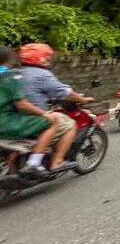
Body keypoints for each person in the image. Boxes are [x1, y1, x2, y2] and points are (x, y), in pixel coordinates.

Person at [17, 43, 93, 172]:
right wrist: (83, 99)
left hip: (13, 116)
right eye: (46, 56)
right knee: (69, 124)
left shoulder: (15, 72)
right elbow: (65, 93)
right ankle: (56, 162)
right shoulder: (42, 74)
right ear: (39, 58)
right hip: (33, 116)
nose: (48, 59)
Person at [0, 46, 71, 176]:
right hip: (6, 123)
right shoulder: (9, 76)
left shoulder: (17, 73)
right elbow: (21, 104)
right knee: (54, 120)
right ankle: (34, 163)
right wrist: (44, 113)